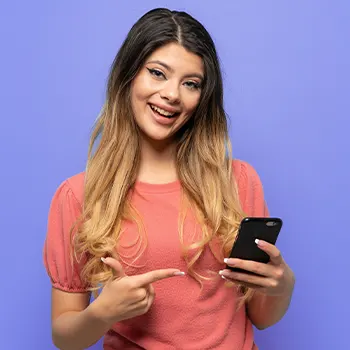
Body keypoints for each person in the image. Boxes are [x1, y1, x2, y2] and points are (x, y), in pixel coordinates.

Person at [43, 7, 295, 350]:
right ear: (129, 75)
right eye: (158, 73)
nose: (172, 94)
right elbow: (64, 337)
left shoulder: (238, 181)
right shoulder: (79, 195)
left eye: (190, 83)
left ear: (202, 97)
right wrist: (101, 314)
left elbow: (262, 317)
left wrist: (282, 286)